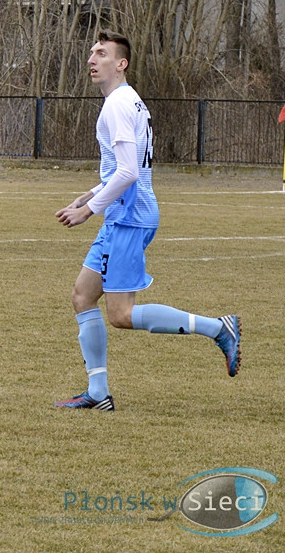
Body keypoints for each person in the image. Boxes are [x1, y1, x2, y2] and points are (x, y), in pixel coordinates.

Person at [53, 30, 241, 412]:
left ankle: (218, 328)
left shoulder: (118, 105)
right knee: (83, 296)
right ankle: (98, 392)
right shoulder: (129, 101)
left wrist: (89, 210)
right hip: (123, 214)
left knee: (121, 315)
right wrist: (90, 194)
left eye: (101, 53)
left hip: (129, 217)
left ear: (121, 63)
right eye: (91, 53)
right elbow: (127, 168)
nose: (92, 59)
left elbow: (128, 173)